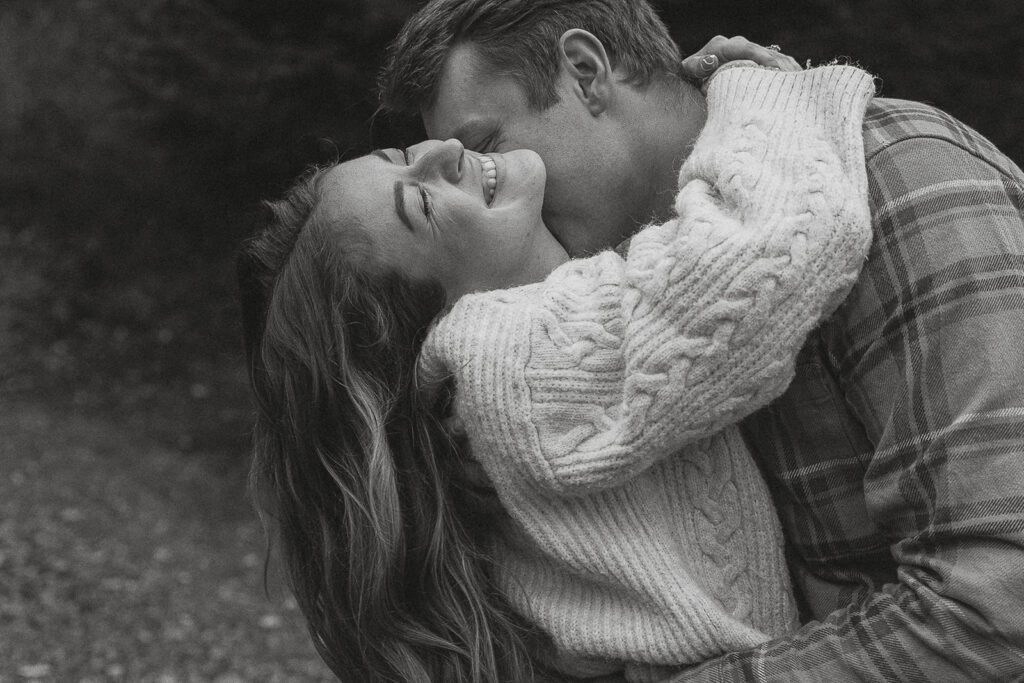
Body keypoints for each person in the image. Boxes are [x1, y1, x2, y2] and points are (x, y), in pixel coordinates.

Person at [376, 0, 1024, 680]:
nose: (501, 187)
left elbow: (994, 609)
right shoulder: (647, 304)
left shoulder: (897, 180)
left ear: (585, 71)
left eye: (486, 148)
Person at [238, 62, 874, 682]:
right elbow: (774, 251)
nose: (443, 153)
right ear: (437, 314)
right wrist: (760, 85)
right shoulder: (508, 358)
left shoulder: (506, 368)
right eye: (424, 207)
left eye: (401, 153)